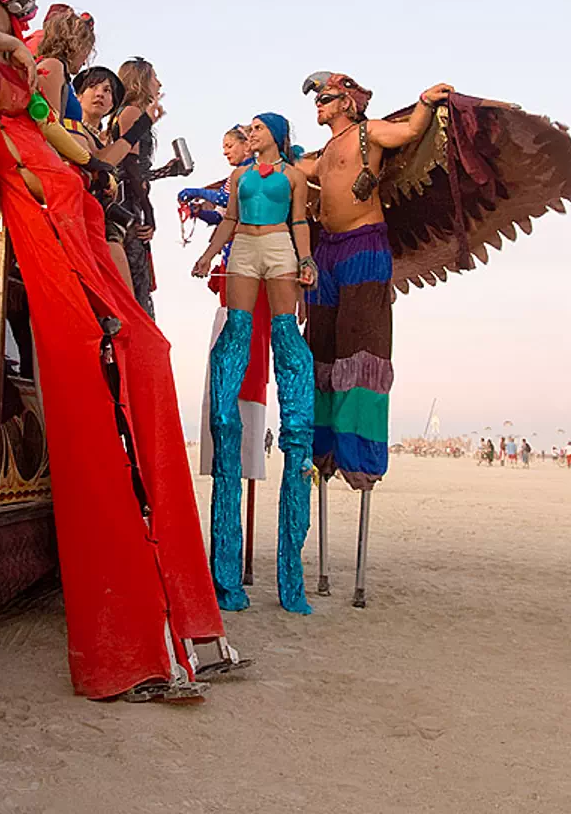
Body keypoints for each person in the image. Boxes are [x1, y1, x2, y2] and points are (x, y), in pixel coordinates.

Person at [0, 0, 242, 701]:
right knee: (105, 381)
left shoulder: (41, 96)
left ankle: (179, 626)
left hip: (82, 234)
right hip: (56, 234)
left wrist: (91, 162)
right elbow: (31, 137)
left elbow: (65, 145)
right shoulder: (14, 74)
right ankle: (132, 645)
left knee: (138, 353)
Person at [296, 72, 453, 491]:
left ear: (346, 102)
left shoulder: (370, 133)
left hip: (364, 247)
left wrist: (424, 100)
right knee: (321, 347)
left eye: (325, 98)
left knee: (362, 346)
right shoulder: (324, 152)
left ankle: (361, 455)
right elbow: (288, 169)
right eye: (317, 100)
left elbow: (412, 130)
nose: (319, 105)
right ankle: (322, 449)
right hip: (326, 250)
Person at [192, 113, 317, 613]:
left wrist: (306, 262)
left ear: (276, 135)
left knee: (286, 336)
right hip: (244, 245)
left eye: (257, 129)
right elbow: (228, 219)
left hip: (279, 245)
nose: (251, 134)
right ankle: (226, 577)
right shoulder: (240, 176)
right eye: (248, 129)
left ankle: (291, 579)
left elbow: (301, 221)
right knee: (237, 332)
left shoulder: (293, 176)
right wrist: (210, 255)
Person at [183, 126, 272, 489]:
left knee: (246, 353)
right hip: (234, 274)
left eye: (229, 144)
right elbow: (223, 213)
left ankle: (244, 441)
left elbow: (228, 203)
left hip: (254, 273)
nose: (225, 151)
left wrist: (201, 195)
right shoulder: (241, 179)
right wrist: (203, 210)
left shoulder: (257, 176)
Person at [70, 66, 161, 292]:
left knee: (126, 296)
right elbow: (105, 162)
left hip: (109, 220)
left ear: (112, 103)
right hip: (86, 221)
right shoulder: (72, 127)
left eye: (107, 90)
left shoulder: (100, 136)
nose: (100, 93)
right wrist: (142, 124)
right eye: (92, 87)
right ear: (78, 96)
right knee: (125, 296)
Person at [110, 58, 184, 318]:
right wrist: (149, 213)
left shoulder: (130, 114)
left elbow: (135, 171)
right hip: (127, 208)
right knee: (135, 286)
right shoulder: (131, 113)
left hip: (129, 204)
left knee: (137, 282)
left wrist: (167, 171)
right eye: (154, 78)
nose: (159, 83)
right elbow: (129, 170)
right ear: (141, 81)